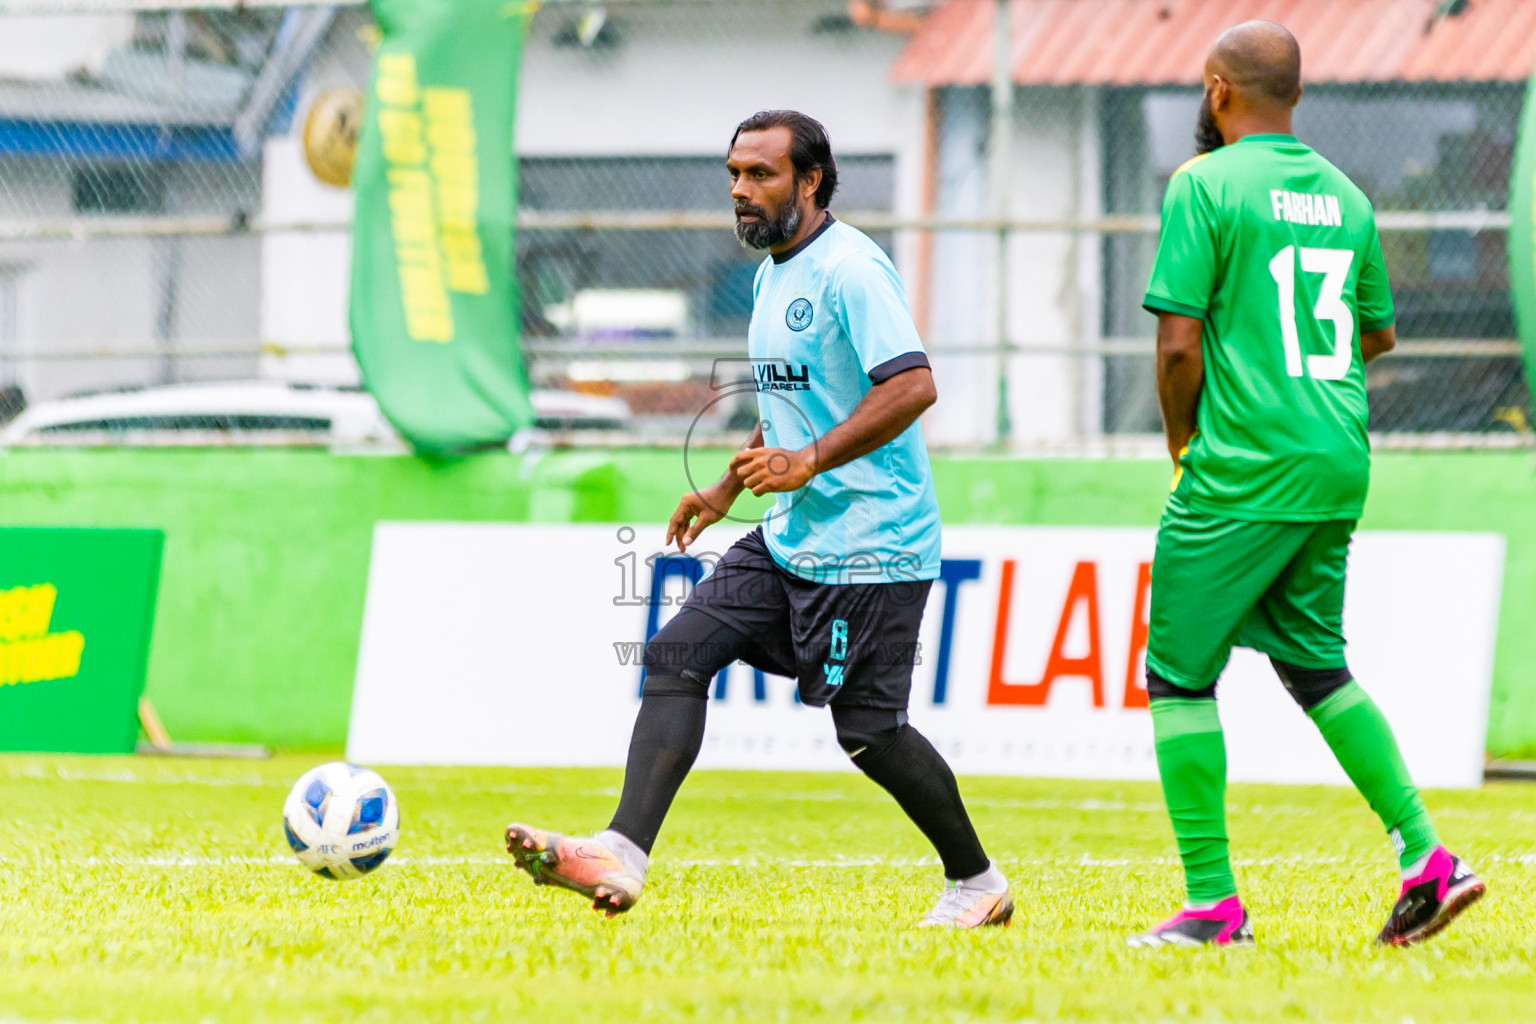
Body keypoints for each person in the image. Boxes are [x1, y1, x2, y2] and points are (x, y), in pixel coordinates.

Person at [504, 109, 1011, 928]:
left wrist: (806, 463)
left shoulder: (852, 270)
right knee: (675, 653)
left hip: (873, 548)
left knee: (871, 732)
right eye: (735, 174)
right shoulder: (774, 273)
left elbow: (913, 385)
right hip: (790, 537)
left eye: (761, 175)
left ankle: (978, 882)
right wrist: (725, 491)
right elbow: (788, 400)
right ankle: (622, 855)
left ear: (809, 181)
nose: (741, 191)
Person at [1130, 21, 1484, 948]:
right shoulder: (1349, 197)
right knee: (1314, 662)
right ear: (1296, 95)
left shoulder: (1202, 185)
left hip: (1242, 464)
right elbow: (1373, 335)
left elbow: (1177, 342)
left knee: (1175, 676)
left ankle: (1212, 905)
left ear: (1217, 91)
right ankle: (1427, 856)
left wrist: (1182, 448)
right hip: (1336, 456)